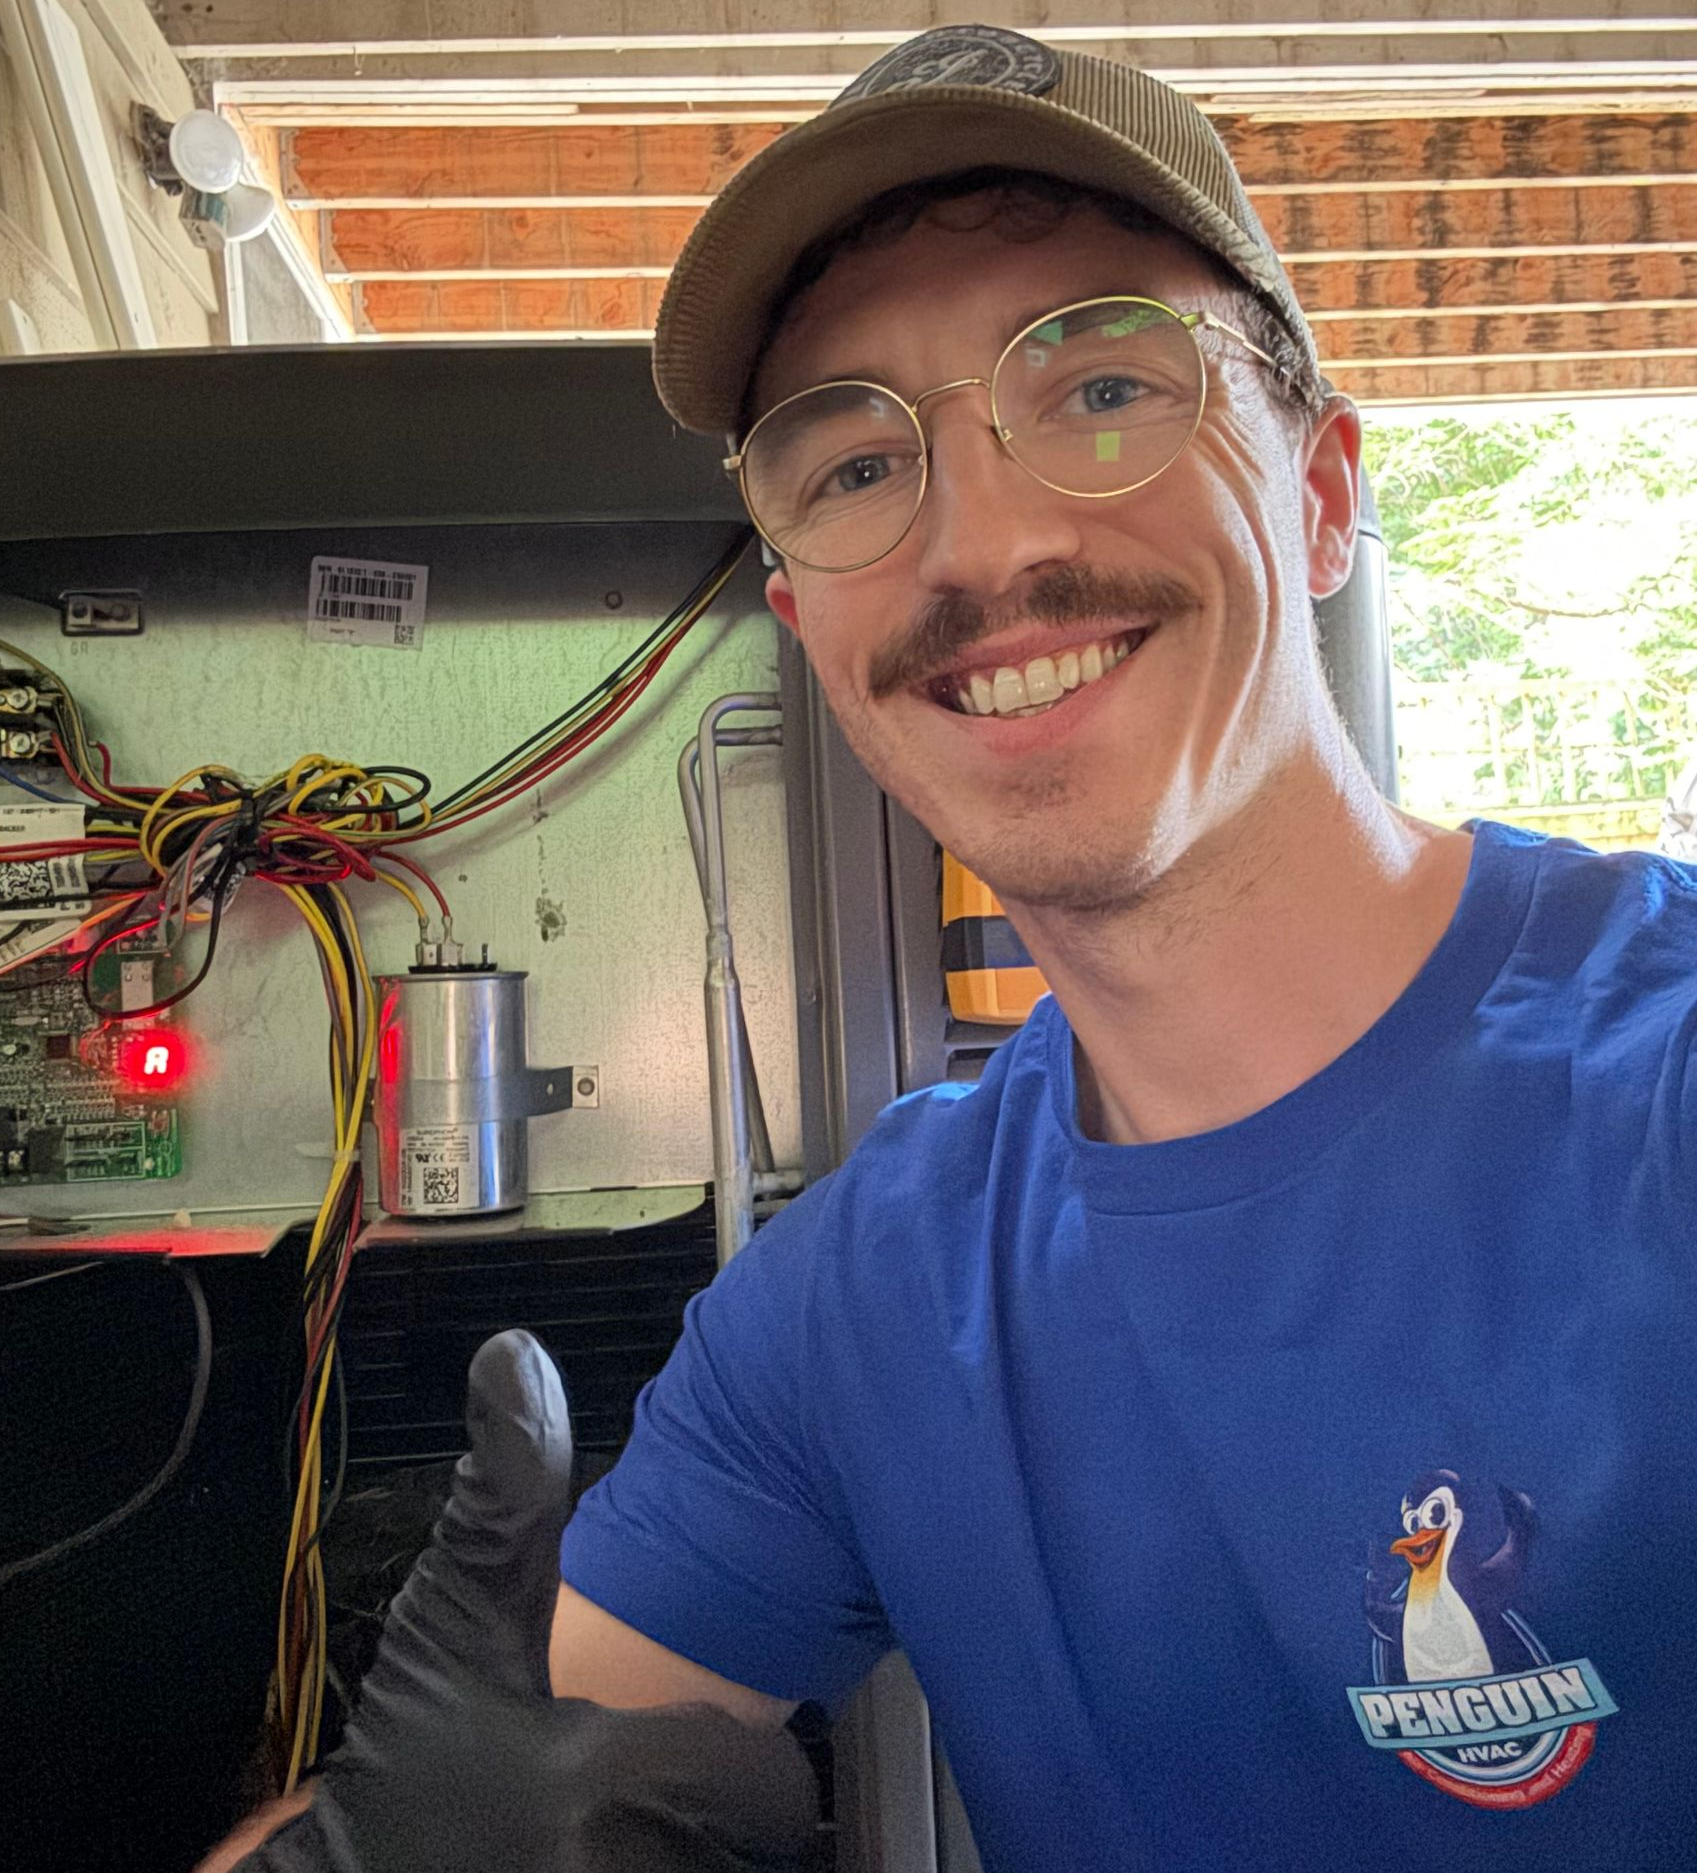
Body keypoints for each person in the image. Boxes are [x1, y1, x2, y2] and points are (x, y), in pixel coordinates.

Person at [549, 22, 1696, 1872]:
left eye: (1099, 387)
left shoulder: (1665, 1101)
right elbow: (535, 1760)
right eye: (854, 463)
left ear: (1321, 494)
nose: (978, 544)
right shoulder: (857, 1313)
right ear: (804, 623)